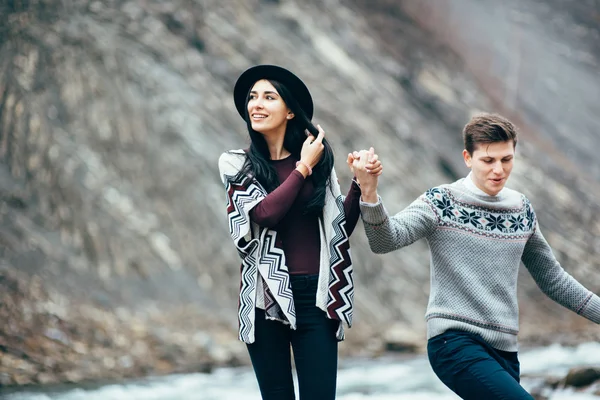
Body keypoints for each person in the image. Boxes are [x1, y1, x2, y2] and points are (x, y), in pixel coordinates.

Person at [350, 113, 600, 400]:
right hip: (453, 342)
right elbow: (385, 240)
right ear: (468, 158)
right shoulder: (441, 201)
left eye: (506, 160)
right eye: (488, 160)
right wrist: (368, 192)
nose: (498, 170)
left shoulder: (521, 209)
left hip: (505, 351)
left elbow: (554, 280)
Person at [218, 64, 382, 400]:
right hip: (264, 298)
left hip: (316, 298)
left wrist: (360, 183)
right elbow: (264, 214)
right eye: (252, 97)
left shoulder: (319, 163)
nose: (256, 104)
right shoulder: (235, 163)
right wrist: (302, 167)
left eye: (268, 97)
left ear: (290, 110)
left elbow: (340, 231)